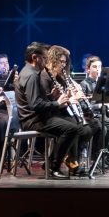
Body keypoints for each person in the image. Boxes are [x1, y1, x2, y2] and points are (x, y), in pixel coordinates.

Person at [14, 42, 85, 179]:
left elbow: (36, 100)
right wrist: (57, 103)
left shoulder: (28, 72)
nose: (47, 62)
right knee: (71, 129)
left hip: (37, 117)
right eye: (45, 58)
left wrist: (51, 97)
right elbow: (35, 105)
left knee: (75, 124)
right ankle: (53, 167)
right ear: (35, 58)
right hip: (33, 120)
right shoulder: (32, 75)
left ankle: (59, 163)